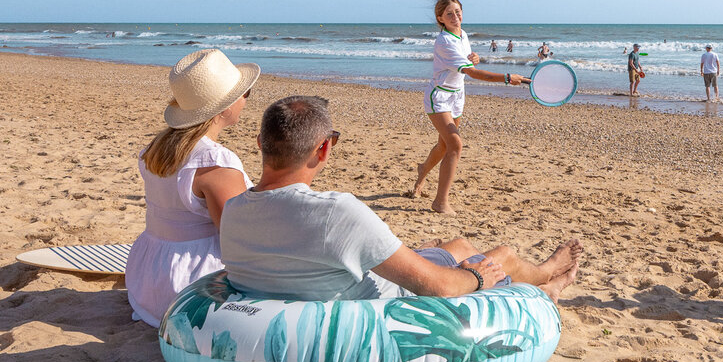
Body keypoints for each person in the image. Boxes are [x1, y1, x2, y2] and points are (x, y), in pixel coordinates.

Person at [222, 96, 582, 302]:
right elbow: (436, 287)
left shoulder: (234, 210)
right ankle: (548, 280)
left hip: (331, 278)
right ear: (324, 149)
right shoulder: (336, 212)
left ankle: (541, 278)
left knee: (455, 244)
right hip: (393, 299)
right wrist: (475, 277)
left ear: (260, 144)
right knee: (500, 256)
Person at [126, 49, 260, 326]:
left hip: (149, 280)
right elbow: (237, 238)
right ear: (225, 106)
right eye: (244, 94)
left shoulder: (157, 149)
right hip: (190, 287)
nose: (246, 100)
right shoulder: (215, 162)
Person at [408, 0, 529, 212]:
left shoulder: (462, 35)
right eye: (449, 14)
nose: (455, 16)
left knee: (444, 145)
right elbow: (473, 74)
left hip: (457, 96)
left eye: (458, 11)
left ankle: (422, 170)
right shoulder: (444, 41)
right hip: (440, 97)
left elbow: (468, 62)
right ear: (440, 18)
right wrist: (507, 77)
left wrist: (474, 57)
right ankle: (440, 202)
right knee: (455, 144)